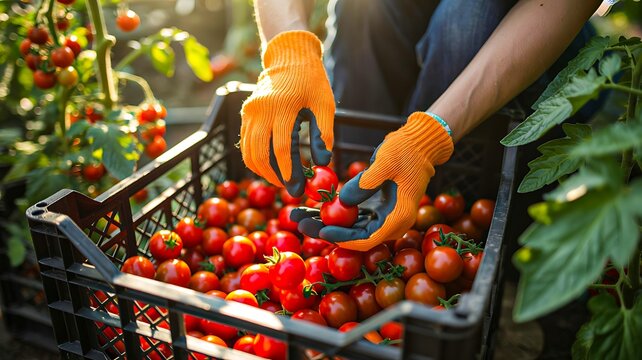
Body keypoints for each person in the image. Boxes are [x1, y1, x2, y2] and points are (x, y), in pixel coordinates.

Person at [239, 0, 604, 251]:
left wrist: (429, 138)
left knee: (466, 19)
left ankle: (438, 209)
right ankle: (368, 184)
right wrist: (288, 51)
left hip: (525, 31)